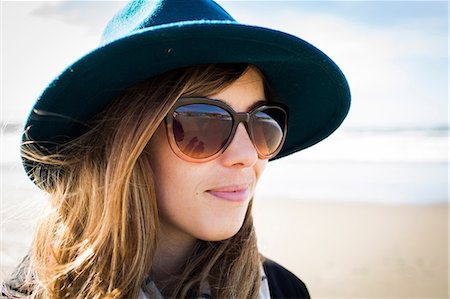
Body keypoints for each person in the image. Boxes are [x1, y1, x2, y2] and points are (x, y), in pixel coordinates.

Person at [2, 0, 350, 298]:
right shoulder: (35, 290)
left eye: (263, 123)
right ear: (126, 146)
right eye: (204, 123)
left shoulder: (283, 290)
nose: (248, 155)